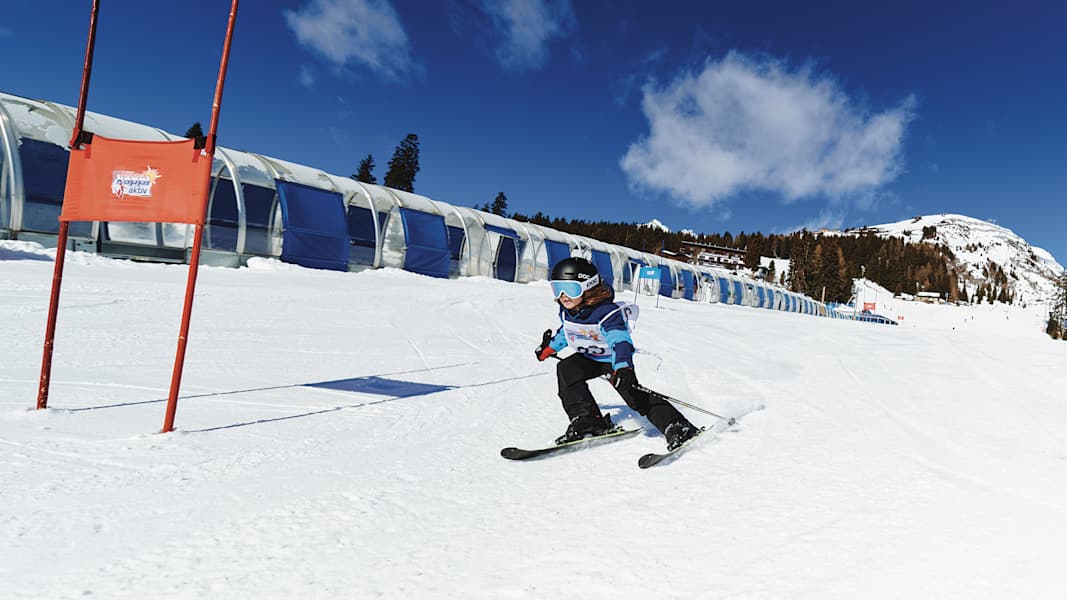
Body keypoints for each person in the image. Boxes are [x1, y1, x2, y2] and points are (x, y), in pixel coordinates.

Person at [534, 257, 699, 450]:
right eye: (557, 288)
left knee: (634, 395)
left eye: (570, 289)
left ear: (588, 287)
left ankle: (676, 425)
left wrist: (623, 366)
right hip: (589, 358)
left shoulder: (606, 312)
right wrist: (549, 349)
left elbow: (620, 340)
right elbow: (567, 332)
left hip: (614, 360)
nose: (563, 295)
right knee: (567, 369)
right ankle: (588, 420)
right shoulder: (568, 312)